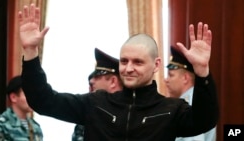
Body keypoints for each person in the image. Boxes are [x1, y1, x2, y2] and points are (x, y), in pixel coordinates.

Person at [18, 3, 219, 141]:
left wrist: (202, 72)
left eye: (138, 62)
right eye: (124, 61)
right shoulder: (95, 103)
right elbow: (43, 101)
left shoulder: (171, 110)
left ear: (156, 65)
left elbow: (205, 120)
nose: (129, 68)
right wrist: (30, 53)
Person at [165, 46, 217, 141]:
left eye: (171, 75)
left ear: (185, 78)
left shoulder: (191, 103)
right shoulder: (194, 99)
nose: (166, 80)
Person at [72, 48, 123, 141]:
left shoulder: (131, 116)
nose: (92, 81)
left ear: (113, 81)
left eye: (97, 77)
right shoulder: (88, 114)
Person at [0, 75, 43, 141]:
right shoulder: (0, 125)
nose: (33, 99)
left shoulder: (35, 126)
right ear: (13, 97)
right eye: (28, 94)